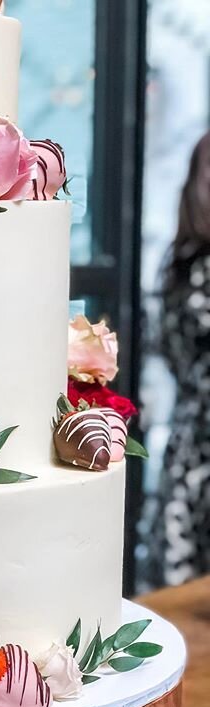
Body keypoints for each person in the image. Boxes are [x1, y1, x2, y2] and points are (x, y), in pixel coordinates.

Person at [152, 131, 210, 585]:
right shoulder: (184, 265)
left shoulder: (178, 264)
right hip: (196, 442)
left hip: (192, 436)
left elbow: (171, 354)